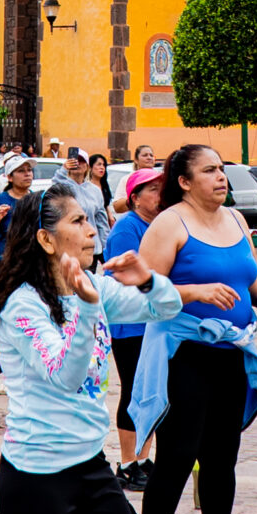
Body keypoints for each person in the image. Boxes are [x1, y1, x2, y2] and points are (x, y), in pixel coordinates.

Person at [0, 184, 181, 514]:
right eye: (77, 221)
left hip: (89, 470)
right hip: (34, 480)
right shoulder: (22, 306)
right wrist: (91, 308)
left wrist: (149, 280)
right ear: (47, 241)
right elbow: (65, 375)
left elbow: (162, 309)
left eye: (89, 219)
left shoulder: (93, 283)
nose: (91, 228)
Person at [132, 143, 257, 514]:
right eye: (210, 170)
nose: (221, 177)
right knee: (177, 458)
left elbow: (247, 272)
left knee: (222, 457)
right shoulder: (169, 223)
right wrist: (194, 290)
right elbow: (142, 289)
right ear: (184, 181)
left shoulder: (234, 219)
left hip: (231, 353)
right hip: (186, 353)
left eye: (222, 169)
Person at [106, 167, 168, 484]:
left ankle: (144, 459)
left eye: (162, 188)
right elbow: (118, 279)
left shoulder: (159, 226)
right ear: (135, 198)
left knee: (151, 391)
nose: (160, 195)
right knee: (133, 390)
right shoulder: (127, 228)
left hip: (154, 323)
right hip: (130, 324)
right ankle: (128, 462)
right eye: (153, 190)